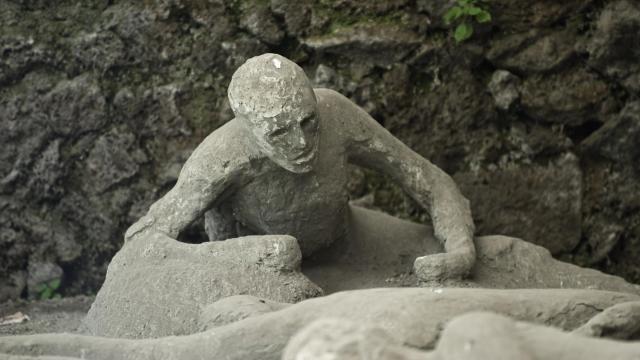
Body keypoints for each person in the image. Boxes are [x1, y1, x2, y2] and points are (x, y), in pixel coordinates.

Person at [125, 53, 476, 281]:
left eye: (308, 121)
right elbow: (143, 242)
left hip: (350, 245)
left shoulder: (335, 113)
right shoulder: (221, 157)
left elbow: (427, 177)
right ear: (247, 129)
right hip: (261, 277)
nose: (302, 143)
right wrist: (241, 256)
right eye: (279, 132)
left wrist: (460, 248)